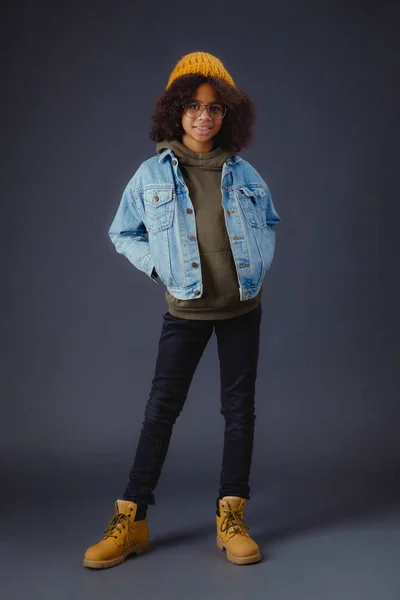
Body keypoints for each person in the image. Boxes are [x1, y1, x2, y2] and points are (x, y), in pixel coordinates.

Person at [83, 51, 281, 569]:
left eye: (215, 108)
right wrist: (162, 270)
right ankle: (132, 519)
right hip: (186, 310)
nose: (203, 116)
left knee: (239, 413)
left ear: (228, 115)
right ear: (175, 110)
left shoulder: (243, 172)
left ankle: (231, 515)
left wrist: (254, 268)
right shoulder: (152, 174)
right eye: (193, 105)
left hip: (242, 310)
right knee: (160, 411)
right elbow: (122, 232)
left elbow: (270, 221)